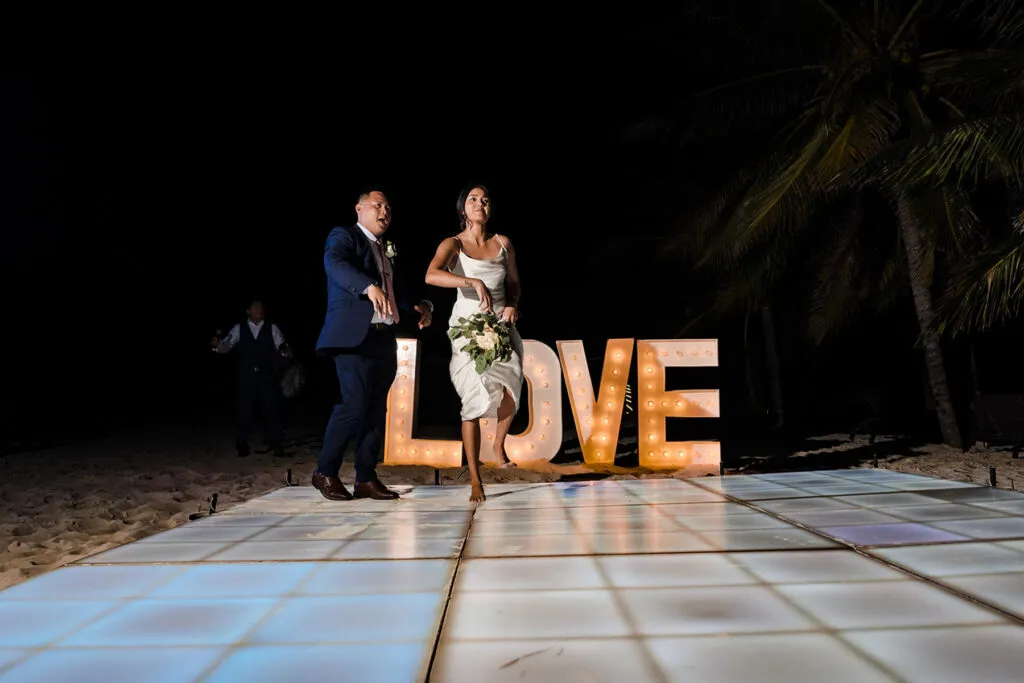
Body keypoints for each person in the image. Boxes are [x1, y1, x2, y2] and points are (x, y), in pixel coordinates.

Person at [312, 188, 434, 501]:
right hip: (352, 337)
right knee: (353, 403)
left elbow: (392, 289)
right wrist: (367, 286)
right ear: (359, 208)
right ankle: (325, 471)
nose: (385, 212)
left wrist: (418, 305)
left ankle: (365, 477)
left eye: (389, 208)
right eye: (378, 205)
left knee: (376, 409)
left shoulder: (385, 249)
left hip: (383, 337)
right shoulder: (344, 236)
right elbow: (335, 264)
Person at [425, 184, 523, 501]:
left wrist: (512, 305)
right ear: (462, 209)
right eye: (472, 199)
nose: (480, 203)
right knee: (473, 401)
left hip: (501, 326)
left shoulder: (503, 243)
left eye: (485, 200)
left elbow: (514, 285)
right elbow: (431, 275)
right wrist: (470, 280)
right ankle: (476, 478)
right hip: (468, 329)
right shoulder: (453, 244)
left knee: (512, 389)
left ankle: (497, 444)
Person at [211, 300, 290, 458]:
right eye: (255, 307)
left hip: (267, 375)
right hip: (246, 375)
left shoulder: (272, 327)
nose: (259, 309)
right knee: (244, 411)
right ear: (248, 311)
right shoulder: (239, 327)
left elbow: (282, 345)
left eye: (261, 307)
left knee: (271, 410)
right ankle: (242, 445)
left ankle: (276, 444)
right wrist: (217, 345)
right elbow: (227, 345)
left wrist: (285, 351)